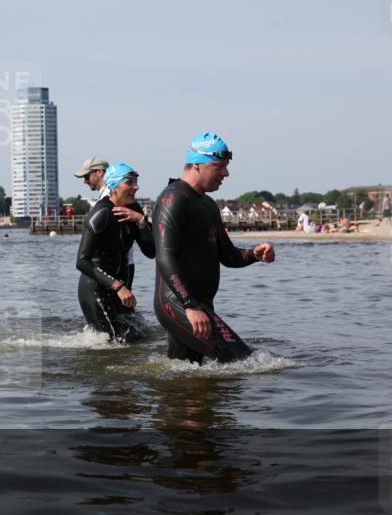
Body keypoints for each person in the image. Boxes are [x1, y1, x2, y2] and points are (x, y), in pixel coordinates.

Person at [152, 133, 275, 365]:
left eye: (226, 167)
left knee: (187, 375)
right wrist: (190, 305)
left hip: (199, 304)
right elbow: (164, 256)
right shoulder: (173, 198)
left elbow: (227, 255)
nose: (225, 173)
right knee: (246, 363)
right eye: (218, 166)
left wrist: (254, 254)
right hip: (178, 303)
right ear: (196, 164)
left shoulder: (207, 204)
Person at [75, 163, 155, 343]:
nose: (136, 186)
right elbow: (82, 261)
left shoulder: (134, 210)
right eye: (130, 182)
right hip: (95, 289)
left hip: (118, 289)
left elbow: (151, 252)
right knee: (112, 344)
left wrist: (141, 222)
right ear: (113, 186)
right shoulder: (101, 213)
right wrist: (118, 286)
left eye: (136, 182)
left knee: (137, 338)